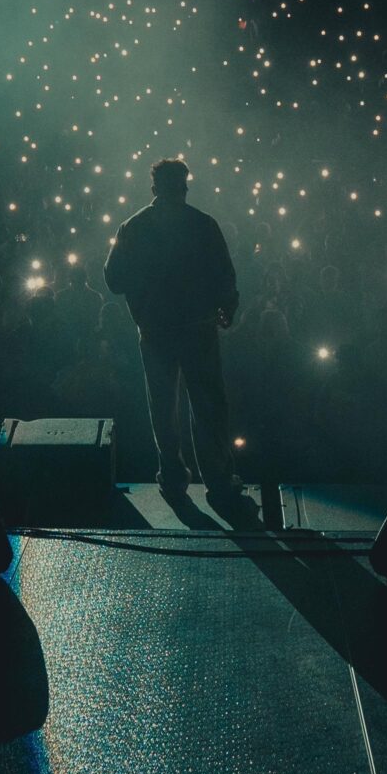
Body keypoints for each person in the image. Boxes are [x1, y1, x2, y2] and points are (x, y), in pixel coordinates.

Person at [104, 158, 253, 516]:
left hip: (155, 330)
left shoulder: (133, 227)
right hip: (198, 329)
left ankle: (172, 479)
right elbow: (225, 274)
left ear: (154, 188)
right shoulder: (203, 224)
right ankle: (219, 482)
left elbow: (114, 280)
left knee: (162, 407)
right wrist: (226, 306)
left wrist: (145, 291)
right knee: (208, 406)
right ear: (183, 186)